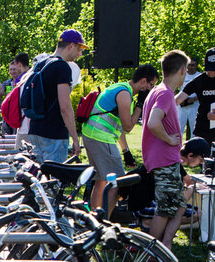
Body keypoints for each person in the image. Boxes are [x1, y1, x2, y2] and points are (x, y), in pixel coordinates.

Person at [83, 64, 158, 214]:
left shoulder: (120, 87)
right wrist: (140, 106)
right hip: (102, 138)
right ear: (143, 81)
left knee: (101, 181)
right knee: (118, 184)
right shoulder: (125, 94)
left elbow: (118, 126)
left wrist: (126, 151)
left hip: (92, 135)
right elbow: (128, 126)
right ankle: (104, 221)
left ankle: (93, 218)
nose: (151, 89)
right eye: (151, 84)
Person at [142, 50, 188, 254]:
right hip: (164, 159)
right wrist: (169, 139)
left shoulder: (157, 91)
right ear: (182, 71)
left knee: (180, 205)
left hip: (167, 159)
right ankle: (151, 253)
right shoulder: (166, 94)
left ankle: (165, 245)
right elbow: (153, 122)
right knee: (165, 208)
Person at [27, 29, 86, 163]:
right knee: (54, 175)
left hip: (35, 130)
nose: (80, 54)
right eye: (79, 49)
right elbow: (65, 107)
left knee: (38, 174)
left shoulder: (41, 63)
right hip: (54, 134)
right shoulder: (62, 67)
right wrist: (75, 139)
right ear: (71, 46)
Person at [177, 57, 201, 140]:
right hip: (182, 104)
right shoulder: (181, 75)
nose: (191, 67)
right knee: (179, 127)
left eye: (193, 65)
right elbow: (176, 87)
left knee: (194, 128)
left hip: (194, 105)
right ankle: (177, 146)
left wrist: (193, 99)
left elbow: (202, 92)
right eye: (189, 65)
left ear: (196, 66)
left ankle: (193, 145)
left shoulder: (199, 76)